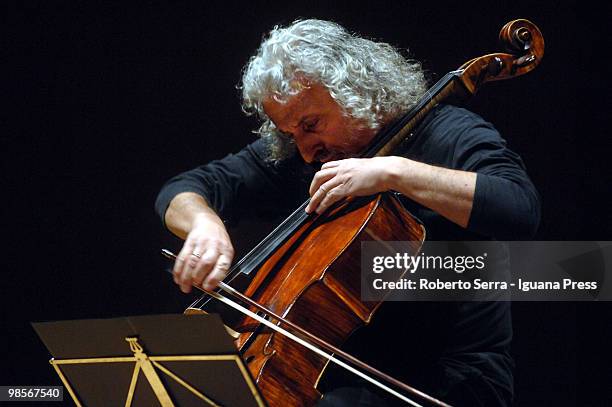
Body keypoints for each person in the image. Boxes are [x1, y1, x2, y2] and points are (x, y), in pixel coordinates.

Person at [155, 19, 540, 406]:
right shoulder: (306, 156)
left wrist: (394, 172)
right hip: (341, 374)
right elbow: (184, 189)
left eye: (311, 125)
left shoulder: (449, 133)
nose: (305, 150)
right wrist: (204, 224)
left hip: (447, 380)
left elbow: (518, 208)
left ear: (355, 93)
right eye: (291, 135)